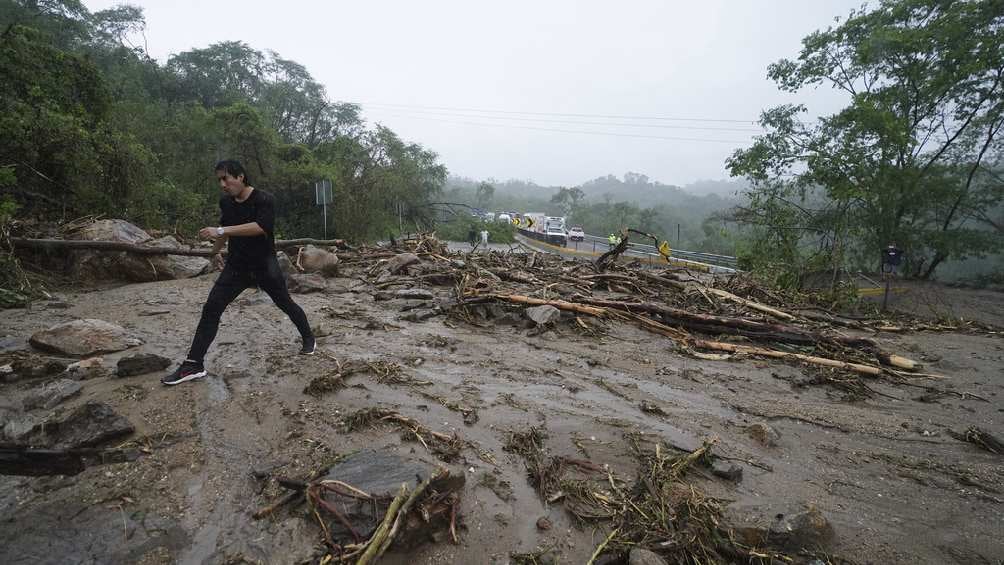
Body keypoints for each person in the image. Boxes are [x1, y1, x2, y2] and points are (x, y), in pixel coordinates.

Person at [162, 160, 315, 386]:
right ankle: (193, 364)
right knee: (211, 308)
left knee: (286, 303)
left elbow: (260, 227)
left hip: (265, 266)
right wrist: (214, 252)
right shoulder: (226, 203)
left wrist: (221, 230)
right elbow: (224, 229)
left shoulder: (265, 200)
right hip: (237, 267)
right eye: (219, 180)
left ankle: (309, 338)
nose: (222, 184)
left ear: (241, 176)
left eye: (226, 178)